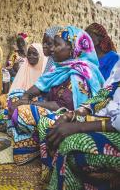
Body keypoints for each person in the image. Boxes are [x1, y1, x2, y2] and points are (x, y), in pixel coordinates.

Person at [7, 26, 105, 164]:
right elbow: (40, 86)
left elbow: (63, 107)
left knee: (22, 113)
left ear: (73, 49)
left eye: (57, 45)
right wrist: (25, 96)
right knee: (14, 96)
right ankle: (31, 139)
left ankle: (31, 140)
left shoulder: (80, 74)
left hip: (68, 117)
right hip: (50, 106)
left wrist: (28, 103)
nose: (52, 49)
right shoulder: (60, 67)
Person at [38, 60, 120, 190]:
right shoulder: (118, 66)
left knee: (70, 143)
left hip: (115, 126)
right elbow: (103, 95)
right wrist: (71, 115)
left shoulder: (81, 71)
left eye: (56, 44)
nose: (52, 49)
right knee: (49, 123)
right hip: (103, 116)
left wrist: (79, 126)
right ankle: (52, 175)